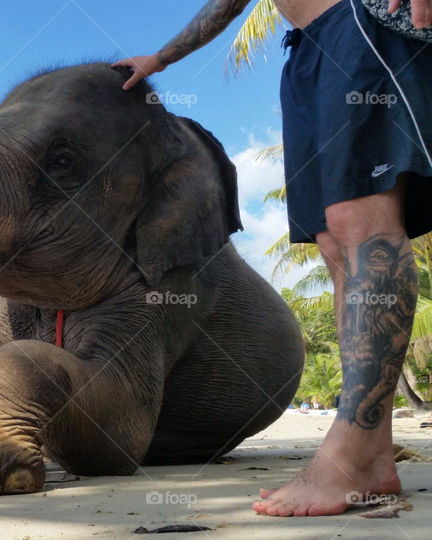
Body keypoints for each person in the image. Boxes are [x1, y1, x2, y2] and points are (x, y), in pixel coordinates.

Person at [114, 0, 432, 517]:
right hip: (305, 49)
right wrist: (162, 58)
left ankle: (353, 454)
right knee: (332, 242)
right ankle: (372, 454)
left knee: (362, 224)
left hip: (358, 20)